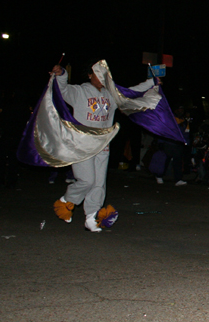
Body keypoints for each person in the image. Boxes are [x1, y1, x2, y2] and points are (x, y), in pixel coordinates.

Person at [51, 62, 154, 232]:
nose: (100, 78)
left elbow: (131, 92)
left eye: (103, 75)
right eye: (96, 74)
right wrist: (61, 74)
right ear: (89, 75)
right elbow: (62, 89)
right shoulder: (79, 92)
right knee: (87, 180)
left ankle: (92, 218)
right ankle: (66, 201)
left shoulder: (111, 95)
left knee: (99, 184)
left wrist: (152, 82)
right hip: (82, 145)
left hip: (102, 145)